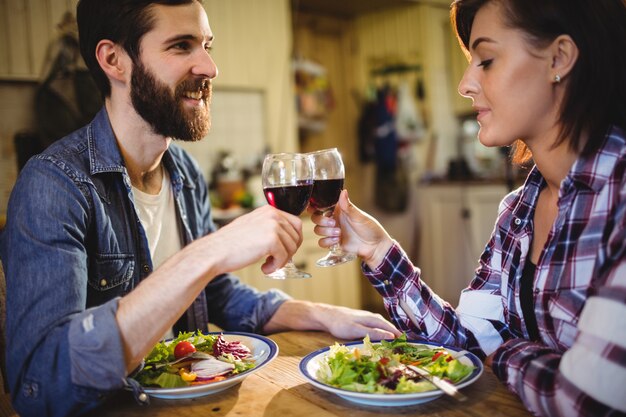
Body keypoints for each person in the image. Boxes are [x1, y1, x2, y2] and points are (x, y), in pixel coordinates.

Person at [0, 1, 400, 416]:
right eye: (181, 46)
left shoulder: (183, 171)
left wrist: (318, 314)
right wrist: (209, 252)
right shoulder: (55, 184)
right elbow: (40, 385)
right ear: (114, 60)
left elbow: (214, 293)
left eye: (207, 45)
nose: (210, 67)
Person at [311, 0, 626, 416]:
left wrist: (505, 351)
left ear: (559, 57)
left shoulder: (617, 200)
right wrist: (379, 250)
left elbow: (585, 400)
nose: (464, 83)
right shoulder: (518, 211)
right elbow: (466, 340)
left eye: (487, 60)